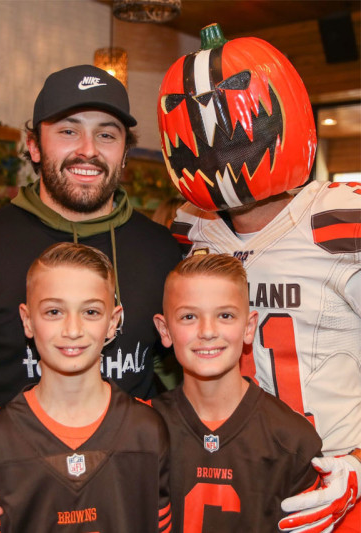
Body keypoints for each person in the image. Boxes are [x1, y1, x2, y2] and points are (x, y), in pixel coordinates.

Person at [157, 24, 361, 532]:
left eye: (232, 116)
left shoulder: (340, 217)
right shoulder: (191, 230)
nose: (216, 136)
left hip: (337, 469)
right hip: (235, 470)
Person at [0, 64, 182, 448]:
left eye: (106, 134)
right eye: (69, 131)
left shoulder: (163, 251)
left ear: (125, 152)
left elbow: (172, 375)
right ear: (33, 145)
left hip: (131, 481)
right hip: (13, 485)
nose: (88, 150)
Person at [0, 243, 170, 532]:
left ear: (113, 322)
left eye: (90, 311)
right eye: (54, 311)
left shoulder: (147, 429)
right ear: (28, 320)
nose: (73, 330)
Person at [150, 253, 321, 531]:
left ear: (249, 327)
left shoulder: (292, 440)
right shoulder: (142, 429)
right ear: (165, 330)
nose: (207, 331)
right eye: (189, 316)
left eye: (225, 315)